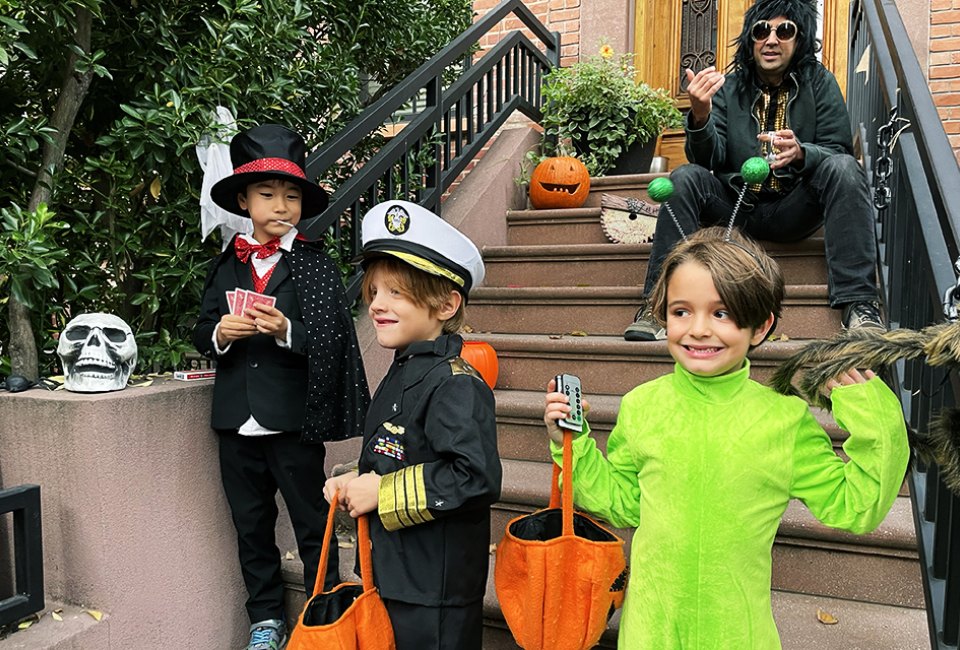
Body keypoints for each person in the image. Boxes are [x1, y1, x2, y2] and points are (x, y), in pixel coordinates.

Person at [547, 227, 909, 648]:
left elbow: (855, 506)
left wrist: (874, 417)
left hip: (737, 632)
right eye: (681, 311)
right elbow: (625, 503)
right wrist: (571, 445)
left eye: (721, 313)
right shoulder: (642, 405)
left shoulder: (784, 419)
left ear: (760, 326)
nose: (699, 329)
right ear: (663, 316)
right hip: (652, 628)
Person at [193, 123, 370, 650]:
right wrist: (221, 334)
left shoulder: (315, 265)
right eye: (267, 194)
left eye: (291, 196)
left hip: (293, 420)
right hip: (234, 421)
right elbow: (203, 328)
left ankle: (328, 611)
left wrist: (288, 331)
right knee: (251, 527)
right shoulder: (228, 263)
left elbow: (335, 335)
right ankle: (265, 620)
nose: (281, 206)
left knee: (313, 520)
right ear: (244, 200)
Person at [625, 0, 884, 341]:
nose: (771, 39)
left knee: (845, 169)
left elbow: (838, 151)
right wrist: (700, 116)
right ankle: (658, 307)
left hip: (794, 209)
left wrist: (803, 153)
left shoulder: (819, 82)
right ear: (751, 38)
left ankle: (860, 305)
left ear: (799, 38)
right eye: (762, 30)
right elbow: (708, 160)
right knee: (685, 177)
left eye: (784, 30)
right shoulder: (729, 88)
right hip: (736, 207)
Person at [323, 200, 502, 650]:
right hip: (394, 575)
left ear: (446, 303)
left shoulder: (456, 384)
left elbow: (474, 476)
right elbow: (397, 452)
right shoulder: (405, 367)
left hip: (433, 595)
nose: (377, 304)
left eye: (396, 293)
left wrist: (380, 493)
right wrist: (353, 483)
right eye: (375, 290)